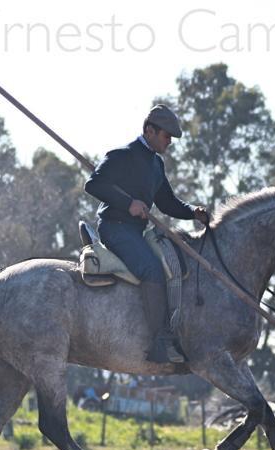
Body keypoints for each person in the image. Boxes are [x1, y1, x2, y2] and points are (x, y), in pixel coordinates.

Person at [85, 104, 208, 364]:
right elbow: (94, 184)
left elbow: (167, 203)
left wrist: (193, 212)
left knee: (170, 265)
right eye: (166, 136)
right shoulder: (122, 155)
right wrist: (128, 202)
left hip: (136, 233)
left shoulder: (156, 164)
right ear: (149, 131)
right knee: (152, 269)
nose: (170, 142)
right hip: (114, 228)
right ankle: (158, 342)